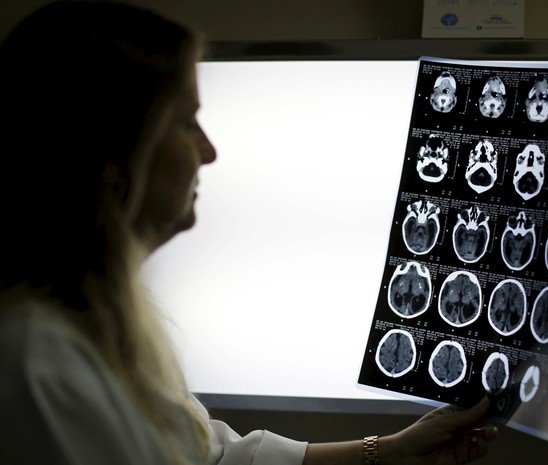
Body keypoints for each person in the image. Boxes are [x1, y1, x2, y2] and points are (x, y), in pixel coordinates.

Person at [0, 1, 498, 464]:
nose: (209, 150)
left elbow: (208, 455)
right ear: (111, 153)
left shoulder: (105, 324)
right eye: (187, 122)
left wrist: (389, 451)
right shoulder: (40, 363)